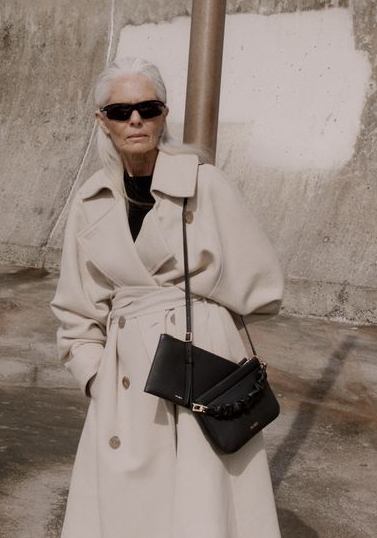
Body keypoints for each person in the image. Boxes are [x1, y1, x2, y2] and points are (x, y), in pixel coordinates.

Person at [51, 57, 284, 538]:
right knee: (129, 512)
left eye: (147, 107)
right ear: (103, 120)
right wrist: (95, 378)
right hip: (126, 382)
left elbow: (263, 286)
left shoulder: (204, 183)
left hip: (202, 367)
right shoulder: (90, 201)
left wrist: (200, 306)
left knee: (202, 506)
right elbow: (77, 306)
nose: (134, 120)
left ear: (163, 114)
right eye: (119, 111)